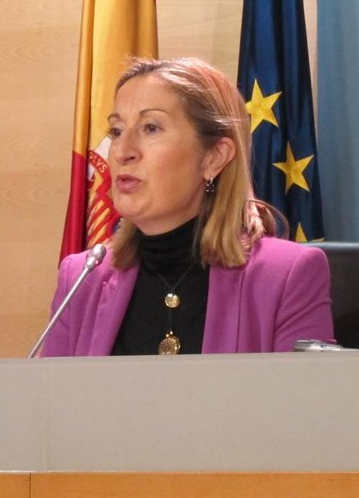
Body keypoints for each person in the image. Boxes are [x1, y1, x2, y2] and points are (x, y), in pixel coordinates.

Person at [41, 57, 334, 356]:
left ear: (214, 157)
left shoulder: (286, 276)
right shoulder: (81, 279)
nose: (122, 152)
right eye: (116, 131)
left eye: (151, 128)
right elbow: (49, 387)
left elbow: (303, 388)